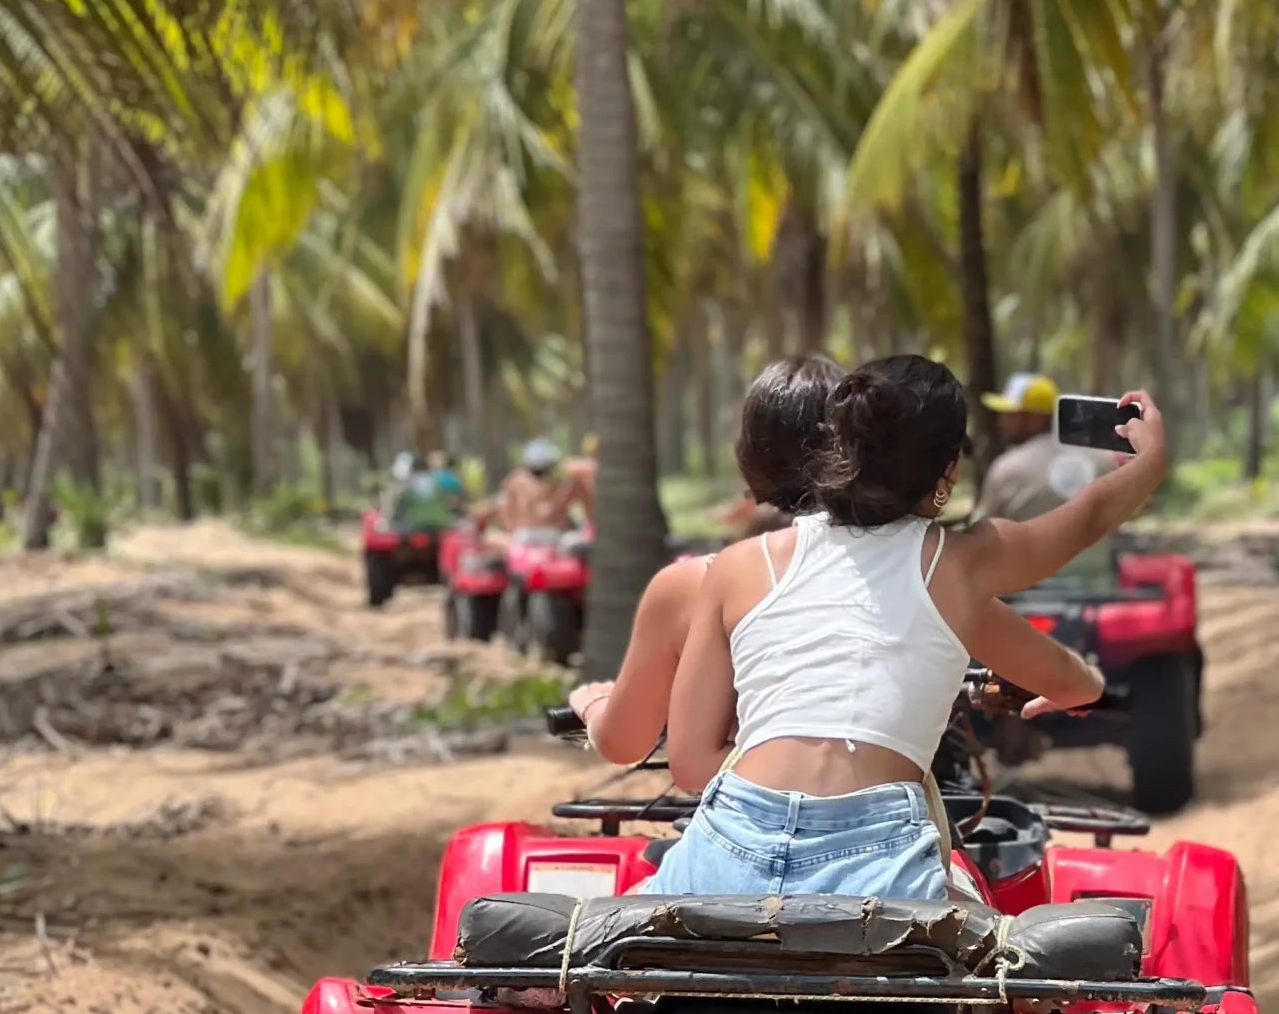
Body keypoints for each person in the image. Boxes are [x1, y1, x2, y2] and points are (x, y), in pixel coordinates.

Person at [651, 356, 1168, 902]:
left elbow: (689, 764)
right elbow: (1085, 519)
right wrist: (1151, 460)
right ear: (948, 471)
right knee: (1009, 974)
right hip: (876, 857)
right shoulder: (956, 567)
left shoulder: (739, 565)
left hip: (728, 840)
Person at [566, 356, 840, 766]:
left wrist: (593, 707)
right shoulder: (911, 565)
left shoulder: (692, 584)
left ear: (748, 457)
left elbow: (626, 742)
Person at [974, 372, 1119, 523]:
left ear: (1035, 419)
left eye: (1010, 415)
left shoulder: (1007, 469)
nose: (1001, 422)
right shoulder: (1103, 460)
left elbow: (982, 532)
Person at [475, 437, 594, 536]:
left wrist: (511, 531)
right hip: (551, 533)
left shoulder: (514, 480)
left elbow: (501, 505)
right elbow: (548, 510)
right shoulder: (551, 483)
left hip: (522, 534)